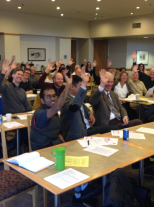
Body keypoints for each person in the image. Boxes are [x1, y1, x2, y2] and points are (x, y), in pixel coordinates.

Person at [31, 71, 101, 205]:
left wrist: (67, 146)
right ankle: (83, 190)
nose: (52, 98)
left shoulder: (53, 113)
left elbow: (57, 132)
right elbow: (58, 105)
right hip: (43, 154)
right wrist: (67, 86)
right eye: (48, 96)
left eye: (54, 96)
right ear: (42, 100)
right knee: (76, 158)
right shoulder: (40, 114)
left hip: (54, 147)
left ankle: (80, 193)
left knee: (78, 153)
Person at [60, 67, 119, 141]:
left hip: (88, 129)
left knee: (115, 129)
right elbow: (75, 106)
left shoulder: (75, 98)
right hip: (79, 134)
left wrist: (89, 112)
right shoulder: (66, 100)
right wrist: (84, 83)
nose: (83, 88)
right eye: (80, 86)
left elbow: (82, 105)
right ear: (72, 86)